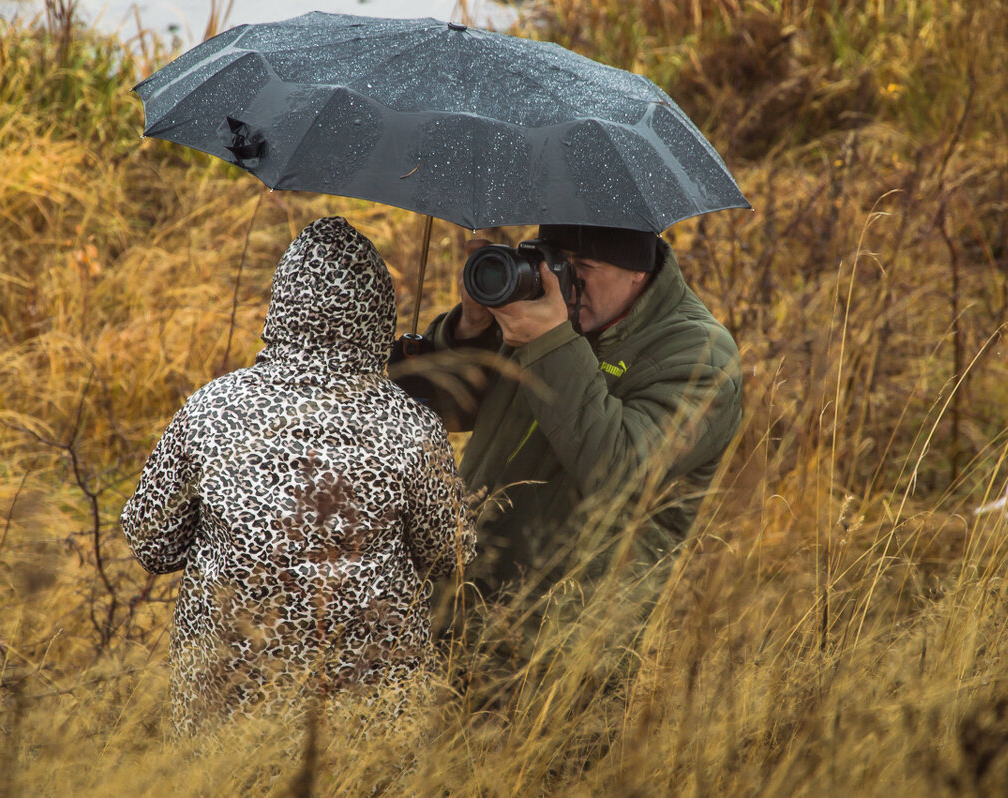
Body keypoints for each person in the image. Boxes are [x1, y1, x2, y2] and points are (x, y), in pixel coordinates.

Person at [121, 216, 475, 736]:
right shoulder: (411, 426)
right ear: (378, 314)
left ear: (282, 305)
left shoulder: (211, 411)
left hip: (224, 729)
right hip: (366, 735)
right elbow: (454, 555)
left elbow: (150, 543)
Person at [415, 223, 741, 593]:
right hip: (456, 594)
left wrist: (551, 344)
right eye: (556, 262)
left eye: (584, 266)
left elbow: (620, 471)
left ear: (638, 270)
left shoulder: (701, 357)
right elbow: (444, 412)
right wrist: (470, 328)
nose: (565, 281)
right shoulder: (540, 312)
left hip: (560, 626)